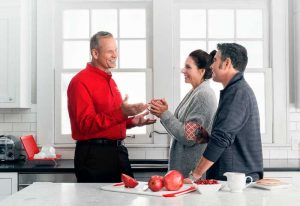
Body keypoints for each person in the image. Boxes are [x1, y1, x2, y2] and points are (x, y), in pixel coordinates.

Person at [67, 31, 156, 183]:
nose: (115, 55)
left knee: (126, 199)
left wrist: (131, 122)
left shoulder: (110, 81)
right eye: (110, 51)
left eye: (116, 50)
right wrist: (122, 113)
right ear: (95, 53)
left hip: (118, 152)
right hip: (94, 156)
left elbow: (111, 118)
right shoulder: (80, 82)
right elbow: (85, 125)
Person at [187, 43, 263, 182]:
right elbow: (229, 137)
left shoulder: (237, 93)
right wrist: (208, 138)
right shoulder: (235, 91)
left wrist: (194, 176)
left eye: (215, 60)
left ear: (227, 63)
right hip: (234, 179)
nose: (211, 66)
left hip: (236, 182)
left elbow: (222, 139)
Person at [149, 49, 217, 178]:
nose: (182, 70)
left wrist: (164, 114)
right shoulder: (196, 92)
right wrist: (164, 112)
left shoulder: (203, 95)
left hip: (190, 175)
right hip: (184, 172)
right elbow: (184, 128)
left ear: (201, 71)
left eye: (188, 67)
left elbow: (189, 137)